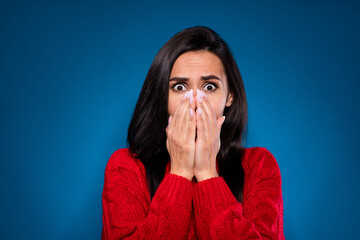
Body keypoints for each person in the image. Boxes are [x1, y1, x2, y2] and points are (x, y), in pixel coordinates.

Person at [101, 26, 285, 239]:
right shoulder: (126, 167)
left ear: (230, 96)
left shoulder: (259, 166)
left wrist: (207, 173)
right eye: (179, 87)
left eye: (209, 86)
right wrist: (179, 173)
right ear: (163, 96)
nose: (195, 101)